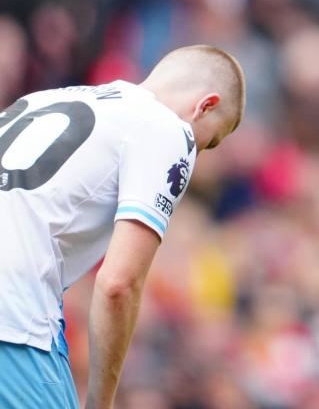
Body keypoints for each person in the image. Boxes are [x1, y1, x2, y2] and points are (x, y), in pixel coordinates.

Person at [0, 45, 245, 409]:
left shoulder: (40, 100)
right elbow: (118, 284)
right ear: (204, 106)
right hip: (14, 322)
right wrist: (102, 401)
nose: (199, 153)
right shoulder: (166, 127)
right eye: (208, 142)